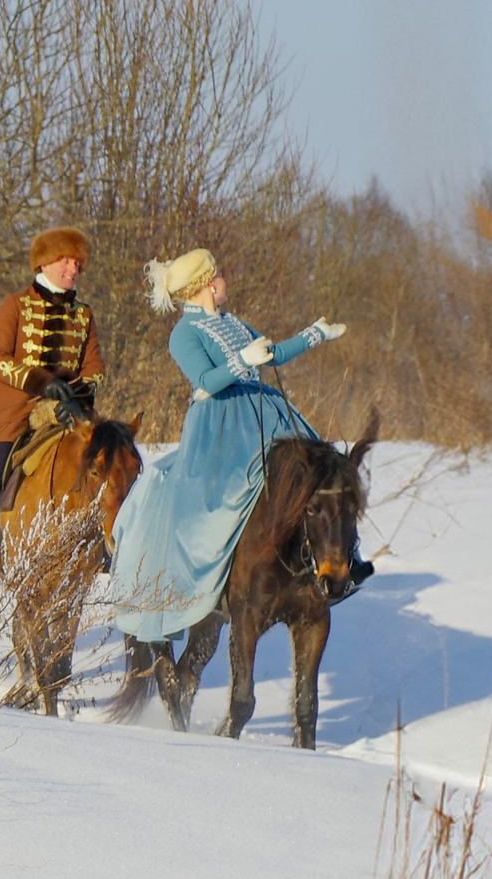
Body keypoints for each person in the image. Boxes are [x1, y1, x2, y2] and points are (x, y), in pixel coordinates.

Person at [107, 248, 358, 641]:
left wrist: (315, 334)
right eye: (219, 273)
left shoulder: (232, 321)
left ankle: (333, 559)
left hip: (263, 409)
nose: (225, 279)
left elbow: (271, 355)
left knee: (319, 476)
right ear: (207, 283)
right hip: (220, 422)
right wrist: (242, 360)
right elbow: (206, 381)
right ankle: (221, 582)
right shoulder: (183, 334)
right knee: (228, 499)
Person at [0, 227, 103, 564]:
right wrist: (40, 382)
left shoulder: (84, 314)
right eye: (64, 261)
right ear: (43, 264)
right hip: (15, 405)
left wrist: (78, 393)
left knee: (106, 460)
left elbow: (95, 365)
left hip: (71, 406)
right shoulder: (16, 304)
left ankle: (101, 542)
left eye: (77, 263)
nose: (72, 269)